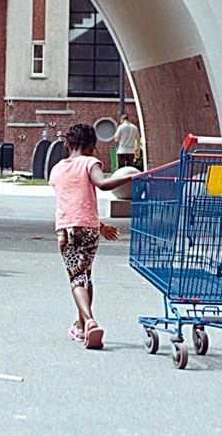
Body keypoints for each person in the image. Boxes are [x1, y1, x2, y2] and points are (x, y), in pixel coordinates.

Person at [48, 123, 135, 349]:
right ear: (92, 146)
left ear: (67, 145)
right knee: (85, 276)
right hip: (88, 229)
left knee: (77, 278)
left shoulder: (56, 169)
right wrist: (132, 177)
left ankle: (88, 321)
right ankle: (82, 326)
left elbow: (71, 204)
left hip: (66, 230)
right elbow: (102, 184)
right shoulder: (90, 163)